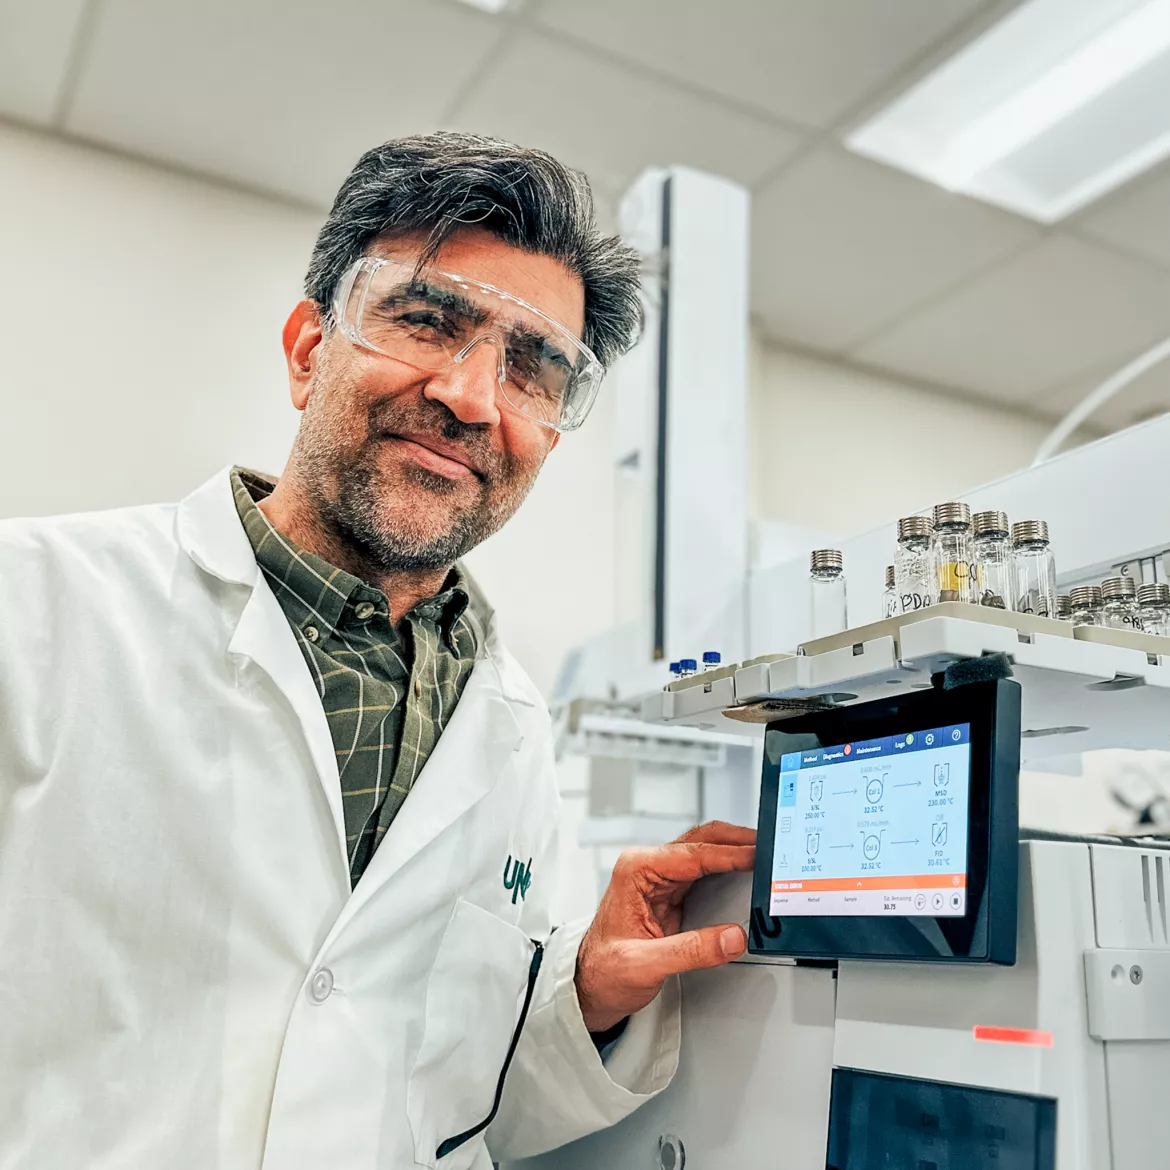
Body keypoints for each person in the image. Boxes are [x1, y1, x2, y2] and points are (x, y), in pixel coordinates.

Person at [0, 132, 754, 1169]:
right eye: (427, 321)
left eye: (534, 368)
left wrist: (586, 992)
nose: (472, 397)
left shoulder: (512, 730)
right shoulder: (33, 605)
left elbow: (469, 1107)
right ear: (311, 350)